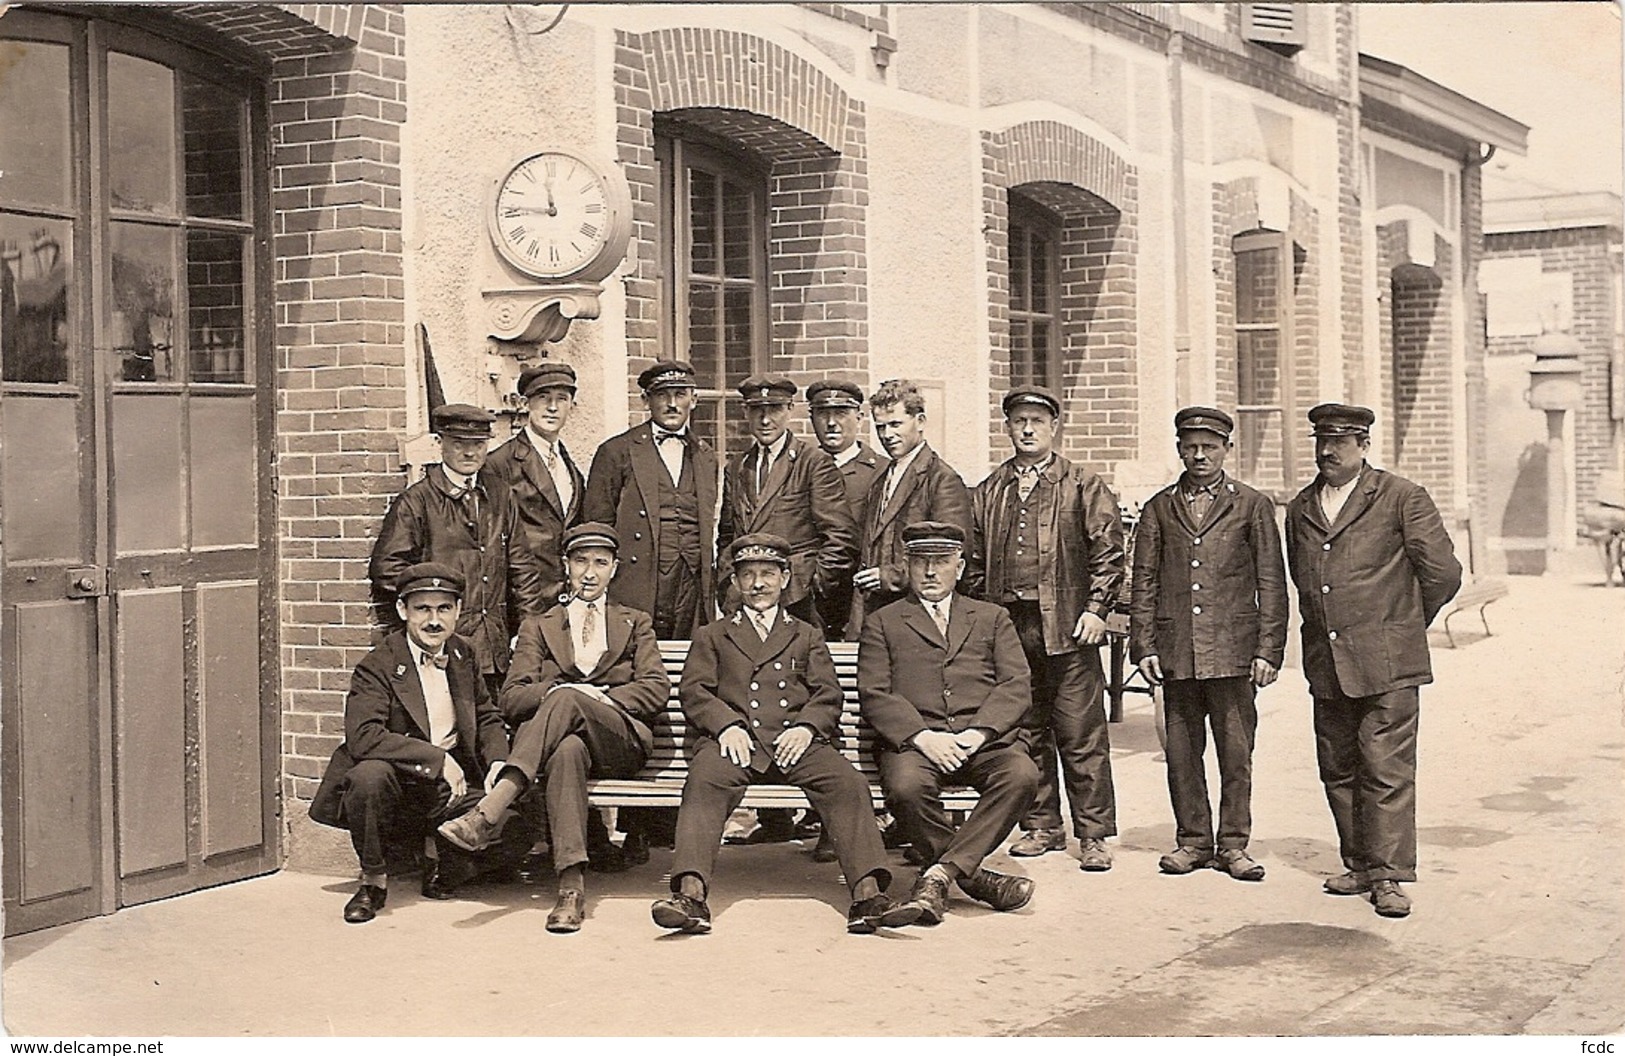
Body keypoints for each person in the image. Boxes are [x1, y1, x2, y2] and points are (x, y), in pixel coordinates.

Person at [650, 534, 918, 935]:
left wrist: (808, 727)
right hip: (735, 744)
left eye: (768, 574)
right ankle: (690, 896)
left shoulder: (806, 634)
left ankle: (868, 896)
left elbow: (828, 692)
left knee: (847, 783)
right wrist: (725, 725)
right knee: (704, 782)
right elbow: (694, 690)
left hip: (797, 743)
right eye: (748, 575)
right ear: (736, 582)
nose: (758, 584)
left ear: (785, 578)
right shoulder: (714, 635)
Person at [437, 524, 667, 932]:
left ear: (614, 568)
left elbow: (655, 690)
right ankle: (570, 890)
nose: (590, 573)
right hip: (565, 746)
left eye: (600, 563)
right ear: (566, 567)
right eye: (581, 562)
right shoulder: (540, 626)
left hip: (620, 743)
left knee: (566, 698)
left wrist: (593, 698)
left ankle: (490, 811)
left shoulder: (635, 622)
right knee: (567, 750)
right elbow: (512, 698)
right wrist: (564, 692)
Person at [1284, 403, 1462, 919]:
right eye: (1321, 440)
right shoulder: (1301, 507)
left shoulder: (1402, 497)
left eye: (1341, 442)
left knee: (1385, 768)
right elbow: (1304, 579)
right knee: (1337, 766)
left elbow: (1443, 574)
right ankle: (1358, 863)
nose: (1328, 451)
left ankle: (1388, 876)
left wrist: (1400, 624)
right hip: (1327, 661)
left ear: (1364, 446)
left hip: (1389, 663)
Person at [308, 563, 522, 923]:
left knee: (519, 821)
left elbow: (486, 715)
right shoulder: (378, 663)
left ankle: (443, 861)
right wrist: (437, 759)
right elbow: (363, 737)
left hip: (446, 788)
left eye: (444, 609)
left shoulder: (462, 654)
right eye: (423, 608)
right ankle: (373, 881)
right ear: (403, 610)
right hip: (398, 782)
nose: (434, 620)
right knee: (367, 778)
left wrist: (498, 762)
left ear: (457, 611)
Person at [969, 387, 1124, 872]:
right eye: (1019, 421)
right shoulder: (990, 490)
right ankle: (1041, 827)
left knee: (1080, 733)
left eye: (1037, 420)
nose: (1028, 429)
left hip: (1068, 628)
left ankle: (1094, 834)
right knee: (1026, 729)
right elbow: (973, 563)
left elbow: (1109, 552)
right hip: (1011, 628)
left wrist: (1097, 608)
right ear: (1008, 428)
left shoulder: (1082, 484)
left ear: (1054, 427)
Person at [1130, 407, 1288, 881]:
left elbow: (1272, 582)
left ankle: (1234, 844)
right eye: (1191, 447)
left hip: (1234, 651)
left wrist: (1268, 649)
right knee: (1181, 752)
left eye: (1210, 447)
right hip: (1177, 653)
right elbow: (1144, 580)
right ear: (1179, 449)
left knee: (1235, 753)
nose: (1200, 455)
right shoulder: (1160, 506)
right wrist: (1144, 646)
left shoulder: (1252, 505)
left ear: (1227, 450)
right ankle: (1193, 841)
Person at [859, 521, 1039, 926]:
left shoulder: (992, 617)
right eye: (921, 562)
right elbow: (875, 692)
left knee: (1021, 774)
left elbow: (1015, 682)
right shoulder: (884, 621)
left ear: (959, 567)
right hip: (915, 743)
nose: (930, 572)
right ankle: (974, 878)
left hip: (982, 740)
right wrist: (923, 737)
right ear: (906, 566)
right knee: (906, 787)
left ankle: (939, 875)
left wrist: (979, 733)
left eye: (941, 562)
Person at [369, 403, 546, 699]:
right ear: (440, 444)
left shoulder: (500, 494)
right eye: (459, 444)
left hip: (495, 647)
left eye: (478, 445)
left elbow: (523, 570)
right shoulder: (416, 502)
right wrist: (436, 599)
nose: (470, 453)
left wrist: (528, 637)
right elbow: (387, 570)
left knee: (494, 727)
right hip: (442, 645)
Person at [582, 358, 719, 640]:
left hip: (692, 583)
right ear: (646, 400)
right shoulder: (616, 452)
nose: (672, 404)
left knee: (691, 665)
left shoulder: (706, 455)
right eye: (662, 395)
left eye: (680, 395)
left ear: (693, 400)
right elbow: (597, 528)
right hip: (640, 582)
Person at [716, 374, 856, 628]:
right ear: (746, 412)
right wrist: (728, 587)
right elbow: (728, 537)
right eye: (757, 410)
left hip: (797, 605)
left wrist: (809, 591)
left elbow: (840, 540)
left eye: (775, 410)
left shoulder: (813, 463)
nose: (766, 419)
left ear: (790, 410)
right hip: (746, 601)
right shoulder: (736, 467)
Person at [851, 379, 973, 629]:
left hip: (917, 615)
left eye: (896, 424)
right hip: (875, 614)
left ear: (920, 422)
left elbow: (950, 557)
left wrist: (889, 577)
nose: (887, 435)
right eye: (880, 427)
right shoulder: (881, 477)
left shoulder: (942, 479)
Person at [484, 361, 585, 605]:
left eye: (561, 398)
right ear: (525, 403)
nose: (552, 407)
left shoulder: (570, 467)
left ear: (571, 406)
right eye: (543, 397)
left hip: (566, 598)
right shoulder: (500, 463)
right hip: (523, 599)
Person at [805, 379, 887, 640]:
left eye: (841, 414)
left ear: (859, 418)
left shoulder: (882, 471)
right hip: (811, 599)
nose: (831, 423)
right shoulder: (799, 468)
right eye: (822, 414)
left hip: (862, 597)